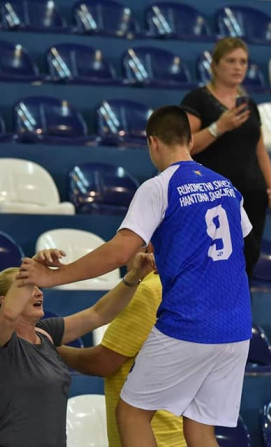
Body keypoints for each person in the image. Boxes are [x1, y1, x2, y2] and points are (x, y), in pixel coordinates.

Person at [18, 105, 252, 447]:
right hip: (237, 326)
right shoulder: (227, 186)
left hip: (190, 321)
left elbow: (120, 251)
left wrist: (55, 276)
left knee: (131, 414)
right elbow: (241, 238)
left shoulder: (159, 187)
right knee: (199, 429)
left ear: (152, 142)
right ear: (190, 140)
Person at [0, 249, 154, 447]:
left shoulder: (46, 333)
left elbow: (98, 314)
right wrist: (33, 265)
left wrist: (133, 277)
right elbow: (9, 315)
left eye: (38, 286)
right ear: (4, 301)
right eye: (29, 287)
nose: (38, 292)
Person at [56, 244, 186, 447]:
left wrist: (55, 350)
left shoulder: (148, 291)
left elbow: (103, 363)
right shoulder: (181, 287)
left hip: (152, 435)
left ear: (148, 246)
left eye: (128, 243)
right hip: (177, 434)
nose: (122, 256)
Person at [181, 36, 271, 279]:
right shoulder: (197, 99)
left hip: (252, 194)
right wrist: (219, 127)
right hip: (213, 195)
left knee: (248, 260)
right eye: (231, 61)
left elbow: (259, 149)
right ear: (215, 65)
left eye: (243, 62)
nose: (238, 67)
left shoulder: (249, 104)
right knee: (212, 260)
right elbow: (185, 146)